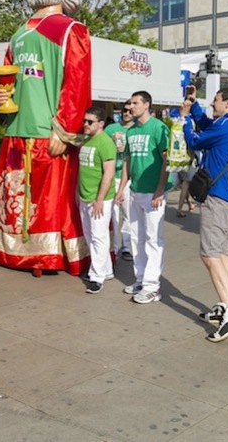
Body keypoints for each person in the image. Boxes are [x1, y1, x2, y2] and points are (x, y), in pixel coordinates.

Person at [0, 0, 92, 277]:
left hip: (47, 135)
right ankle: (12, 251)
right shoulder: (19, 33)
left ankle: (48, 256)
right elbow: (7, 79)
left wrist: (65, 129)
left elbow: (77, 85)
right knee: (14, 198)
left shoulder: (72, 31)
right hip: (16, 130)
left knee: (48, 201)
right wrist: (1, 98)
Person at [182, 87, 228, 341]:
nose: (212, 103)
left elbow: (196, 140)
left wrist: (186, 118)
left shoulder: (227, 126)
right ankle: (226, 305)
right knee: (221, 254)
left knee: (209, 255)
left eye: (216, 100)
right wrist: (194, 104)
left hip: (218, 197)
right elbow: (208, 124)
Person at [116, 90, 170, 303]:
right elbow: (127, 162)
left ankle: (152, 286)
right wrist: (122, 188)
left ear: (146, 104)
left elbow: (167, 161)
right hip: (135, 190)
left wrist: (159, 190)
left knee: (153, 239)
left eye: (135, 103)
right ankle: (140, 278)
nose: (131, 107)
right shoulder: (130, 131)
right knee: (137, 237)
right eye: (130, 103)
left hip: (153, 194)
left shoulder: (158, 128)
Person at [77, 106, 117, 294]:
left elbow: (108, 173)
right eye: (84, 121)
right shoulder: (87, 141)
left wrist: (100, 199)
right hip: (85, 196)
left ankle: (97, 276)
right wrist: (79, 192)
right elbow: (82, 170)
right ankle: (105, 269)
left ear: (101, 124)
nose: (85, 124)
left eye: (89, 122)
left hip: (99, 199)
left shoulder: (105, 143)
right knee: (90, 235)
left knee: (99, 237)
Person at [104, 101, 134, 260]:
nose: (127, 113)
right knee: (113, 214)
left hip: (128, 178)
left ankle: (126, 247)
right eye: (124, 110)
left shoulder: (136, 130)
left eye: (130, 111)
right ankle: (113, 249)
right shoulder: (111, 129)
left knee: (128, 214)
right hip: (111, 176)